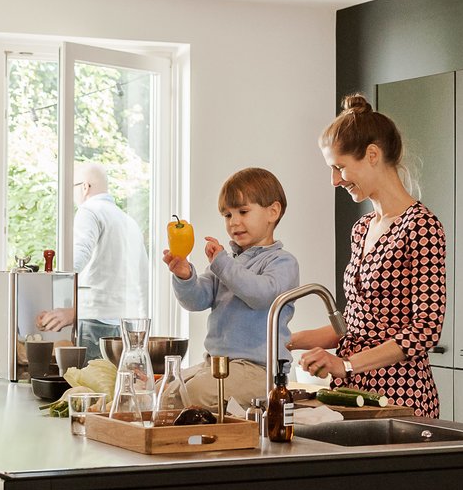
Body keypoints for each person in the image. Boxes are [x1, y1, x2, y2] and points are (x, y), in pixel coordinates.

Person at [289, 94, 447, 417]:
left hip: (401, 399)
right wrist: (289, 340)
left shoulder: (421, 226)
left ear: (372, 155)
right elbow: (356, 324)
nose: (335, 180)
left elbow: (426, 328)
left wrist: (345, 364)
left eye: (339, 167)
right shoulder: (362, 229)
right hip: (353, 393)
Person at [162, 167, 300, 409]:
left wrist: (222, 264)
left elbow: (260, 295)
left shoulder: (282, 262)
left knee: (195, 394)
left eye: (243, 212)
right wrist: (185, 276)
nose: (234, 222)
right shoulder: (228, 262)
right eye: (227, 215)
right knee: (165, 391)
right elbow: (196, 300)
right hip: (216, 364)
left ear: (273, 212)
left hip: (259, 370)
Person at [36, 162, 149, 356]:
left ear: (85, 187)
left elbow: (76, 259)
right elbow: (143, 281)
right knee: (111, 383)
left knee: (88, 384)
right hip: (125, 327)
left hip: (94, 323)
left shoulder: (89, 210)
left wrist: (68, 308)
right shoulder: (129, 222)